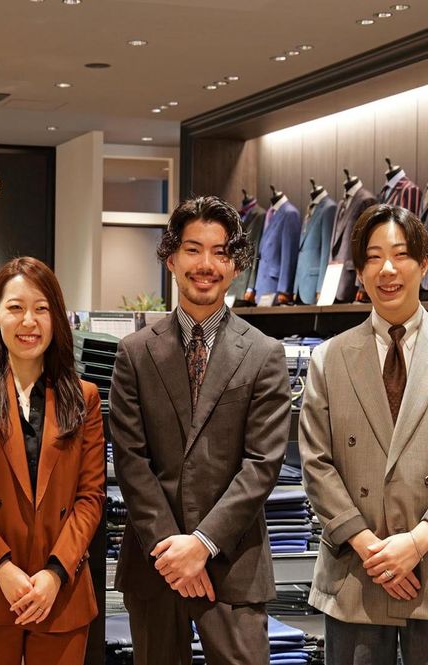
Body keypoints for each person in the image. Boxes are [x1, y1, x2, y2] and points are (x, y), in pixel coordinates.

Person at [110, 195, 291, 665]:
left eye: (220, 252)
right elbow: (131, 460)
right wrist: (174, 551)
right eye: (193, 249)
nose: (205, 264)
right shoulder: (134, 353)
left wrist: (203, 544)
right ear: (171, 258)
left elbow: (262, 464)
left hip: (234, 563)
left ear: (235, 266)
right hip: (156, 563)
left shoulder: (265, 354)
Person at [0, 256, 104, 665]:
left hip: (61, 591)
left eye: (41, 308)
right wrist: (2, 568)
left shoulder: (84, 397)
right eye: (16, 308)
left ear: (56, 317)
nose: (29, 321)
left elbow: (90, 498)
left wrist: (55, 573)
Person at [299, 204, 428, 664]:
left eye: (400, 254)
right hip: (355, 574)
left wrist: (416, 542)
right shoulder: (329, 358)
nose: (387, 269)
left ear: (423, 264)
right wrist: (372, 549)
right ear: (360, 270)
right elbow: (316, 463)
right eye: (373, 257)